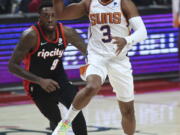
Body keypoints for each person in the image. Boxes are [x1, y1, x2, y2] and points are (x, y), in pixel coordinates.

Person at [52, 0, 147, 135]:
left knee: (128, 110)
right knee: (92, 86)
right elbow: (60, 14)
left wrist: (127, 40)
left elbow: (142, 32)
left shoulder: (124, 3)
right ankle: (64, 125)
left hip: (119, 60)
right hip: (96, 57)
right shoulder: (89, 3)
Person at [8, 1, 88, 135]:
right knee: (58, 122)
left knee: (75, 113)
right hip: (36, 83)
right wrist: (40, 81)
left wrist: (90, 68)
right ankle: (57, 130)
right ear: (39, 16)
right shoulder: (30, 35)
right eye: (46, 16)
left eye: (53, 15)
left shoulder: (67, 32)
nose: (50, 19)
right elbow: (12, 66)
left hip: (59, 78)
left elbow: (88, 52)